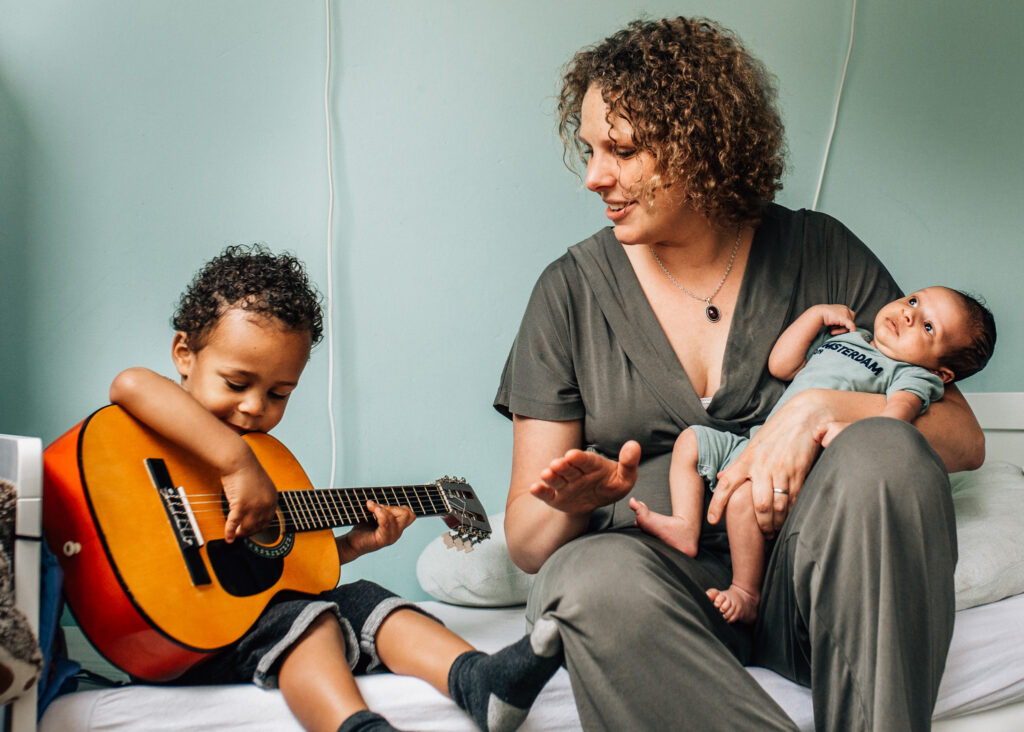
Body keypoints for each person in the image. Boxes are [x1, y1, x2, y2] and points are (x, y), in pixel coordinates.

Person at [495, 17, 985, 732]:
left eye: (622, 150)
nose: (595, 175)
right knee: (584, 578)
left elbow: (962, 438)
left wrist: (818, 411)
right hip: (657, 584)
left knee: (886, 450)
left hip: (808, 581)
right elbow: (531, 544)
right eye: (590, 147)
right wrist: (580, 498)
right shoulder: (569, 293)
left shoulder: (818, 251)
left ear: (697, 146)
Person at [110, 244, 562, 732]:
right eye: (236, 382)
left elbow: (274, 573)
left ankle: (479, 679)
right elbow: (130, 383)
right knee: (308, 621)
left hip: (238, 613)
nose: (254, 407)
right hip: (184, 628)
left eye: (278, 394)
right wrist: (237, 462)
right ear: (184, 354)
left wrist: (349, 546)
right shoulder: (175, 430)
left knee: (363, 599)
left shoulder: (268, 459)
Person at [632, 289, 996, 623]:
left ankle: (747, 591)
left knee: (744, 500)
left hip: (797, 470)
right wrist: (815, 316)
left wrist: (854, 432)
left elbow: (896, 419)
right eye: (914, 301)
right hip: (755, 442)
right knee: (691, 441)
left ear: (941, 371)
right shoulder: (852, 339)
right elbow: (781, 365)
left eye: (929, 327)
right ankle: (685, 525)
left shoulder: (913, 375)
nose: (908, 315)